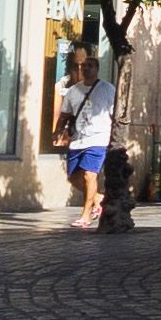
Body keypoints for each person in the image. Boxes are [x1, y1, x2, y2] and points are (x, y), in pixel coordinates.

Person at [56, 44, 114, 230]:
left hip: (98, 138)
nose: (85, 68)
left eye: (90, 65)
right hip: (78, 139)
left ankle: (86, 215)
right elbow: (65, 114)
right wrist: (58, 130)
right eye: (83, 66)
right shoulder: (73, 91)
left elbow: (116, 114)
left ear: (97, 69)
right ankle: (99, 199)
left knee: (90, 175)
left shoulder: (107, 89)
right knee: (73, 177)